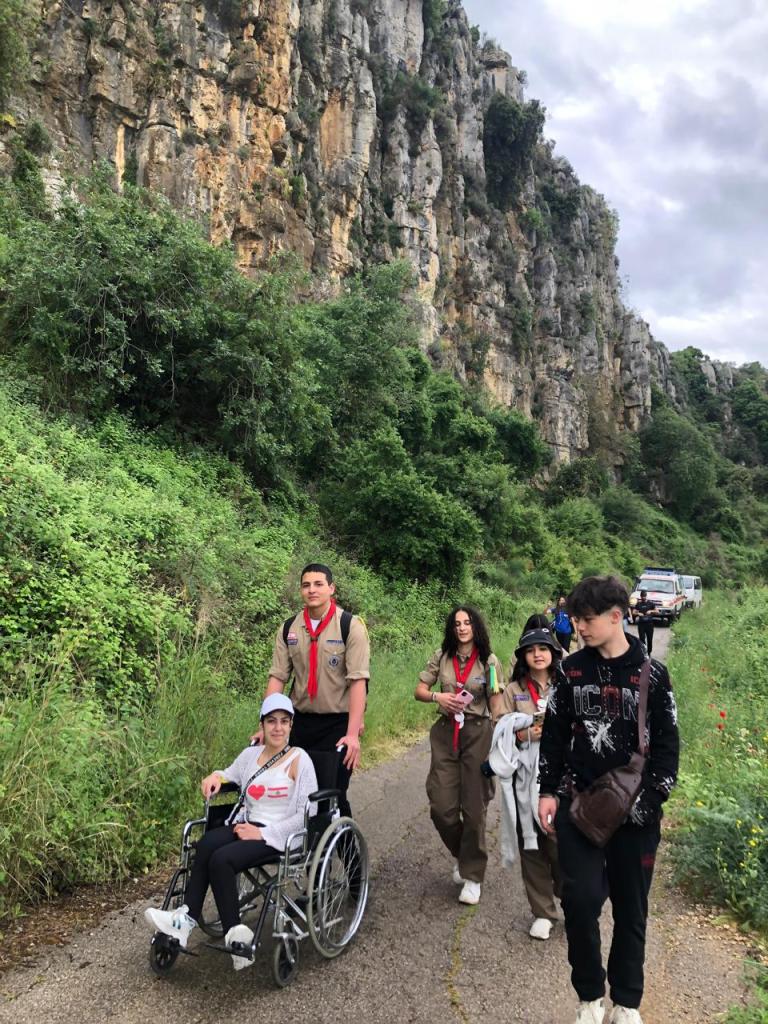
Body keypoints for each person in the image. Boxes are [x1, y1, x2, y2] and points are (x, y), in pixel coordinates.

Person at [538, 576, 679, 1024]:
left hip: (636, 815)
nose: (579, 627)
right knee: (579, 902)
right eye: (576, 619)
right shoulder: (571, 670)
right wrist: (547, 790)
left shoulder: (652, 674)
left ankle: (626, 1001)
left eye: (587, 619)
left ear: (617, 616)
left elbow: (668, 749)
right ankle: (589, 997)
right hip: (579, 805)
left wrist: (648, 803)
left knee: (631, 909)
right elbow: (554, 734)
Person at [144, 694, 318, 969]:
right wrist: (215, 777)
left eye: (284, 722)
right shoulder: (251, 755)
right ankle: (185, 920)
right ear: (262, 725)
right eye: (271, 721)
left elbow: (307, 814)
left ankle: (236, 936)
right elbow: (229, 774)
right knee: (206, 843)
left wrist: (262, 834)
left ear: (291, 725)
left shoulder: (300, 759)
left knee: (222, 859)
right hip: (248, 823)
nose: (278, 728)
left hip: (280, 835)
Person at [414, 606, 506, 905]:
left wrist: (501, 738)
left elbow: (495, 703)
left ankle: (473, 876)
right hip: (445, 734)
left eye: (467, 623)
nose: (462, 628)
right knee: (441, 807)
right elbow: (419, 690)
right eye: (457, 624)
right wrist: (437, 696)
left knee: (475, 809)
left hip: (478, 733)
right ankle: (465, 856)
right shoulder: (442, 656)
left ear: (476, 626)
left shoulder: (489, 661)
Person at [263, 563, 370, 818]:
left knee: (332, 794)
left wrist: (352, 734)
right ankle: (304, 843)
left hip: (337, 724)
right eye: (306, 585)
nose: (312, 590)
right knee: (294, 791)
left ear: (331, 588)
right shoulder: (289, 628)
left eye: (318, 584)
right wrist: (265, 724)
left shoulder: (350, 626)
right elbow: (278, 677)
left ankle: (347, 844)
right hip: (299, 722)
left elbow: (358, 682)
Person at [499, 627, 563, 940]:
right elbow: (499, 731)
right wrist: (525, 734)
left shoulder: (566, 683)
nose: (537, 654)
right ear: (523, 656)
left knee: (558, 840)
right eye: (530, 650)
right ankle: (543, 912)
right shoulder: (513, 690)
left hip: (559, 776)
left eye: (543, 648)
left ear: (553, 652)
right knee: (531, 841)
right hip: (523, 776)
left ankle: (570, 893)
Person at [632, 590, 655, 656]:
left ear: (646, 596)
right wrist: (638, 613)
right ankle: (644, 652)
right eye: (642, 596)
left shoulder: (650, 603)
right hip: (641, 624)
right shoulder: (638, 604)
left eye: (644, 596)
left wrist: (651, 611)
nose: (643, 598)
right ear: (640, 596)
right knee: (642, 639)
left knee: (649, 639)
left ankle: (649, 652)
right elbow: (633, 612)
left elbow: (657, 611)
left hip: (649, 624)